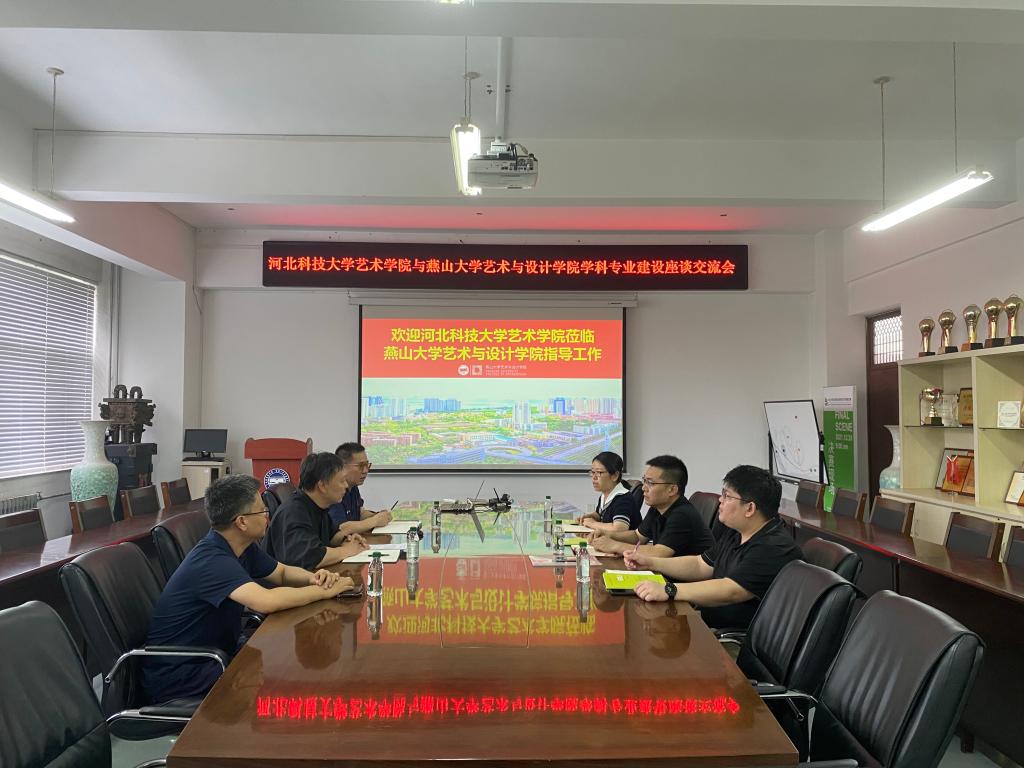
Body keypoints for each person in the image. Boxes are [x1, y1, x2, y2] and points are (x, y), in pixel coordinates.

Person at [142, 474, 355, 704]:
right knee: (280, 692)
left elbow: (281, 573)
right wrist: (325, 592)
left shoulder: (240, 546)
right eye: (262, 511)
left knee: (285, 670)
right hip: (183, 674)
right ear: (242, 522)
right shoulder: (212, 560)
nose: (267, 516)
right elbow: (266, 601)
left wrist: (316, 579)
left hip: (218, 653)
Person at [627, 465, 803, 629]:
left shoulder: (773, 547)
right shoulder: (738, 532)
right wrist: (651, 563)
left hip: (733, 638)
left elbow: (731, 590)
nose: (720, 500)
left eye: (727, 496)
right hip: (708, 622)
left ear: (750, 508)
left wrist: (669, 589)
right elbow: (700, 564)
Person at [591, 455, 712, 557]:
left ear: (672, 490)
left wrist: (615, 546)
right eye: (644, 481)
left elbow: (659, 552)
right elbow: (637, 536)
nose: (643, 488)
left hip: (685, 577)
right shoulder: (657, 508)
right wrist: (607, 534)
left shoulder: (682, 514)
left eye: (650, 483)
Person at [263, 452, 368, 570]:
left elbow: (331, 537)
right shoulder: (294, 512)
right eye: (342, 481)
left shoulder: (319, 506)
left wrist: (347, 539)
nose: (346, 486)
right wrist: (347, 550)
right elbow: (309, 557)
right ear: (322, 486)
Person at [328, 442, 394, 536]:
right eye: (360, 466)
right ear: (342, 466)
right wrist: (375, 521)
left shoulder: (353, 486)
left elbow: (360, 513)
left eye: (367, 465)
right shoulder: (334, 490)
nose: (365, 471)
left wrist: (377, 515)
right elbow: (341, 528)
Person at [579, 451, 641, 534]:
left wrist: (593, 523)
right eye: (593, 472)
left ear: (615, 476)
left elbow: (619, 529)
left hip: (624, 542)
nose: (594, 477)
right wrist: (590, 517)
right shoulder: (605, 494)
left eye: (599, 472)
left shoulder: (622, 498)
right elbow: (600, 515)